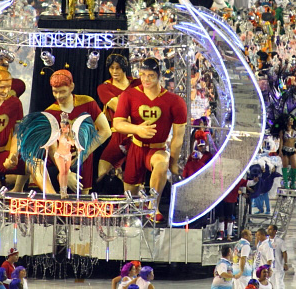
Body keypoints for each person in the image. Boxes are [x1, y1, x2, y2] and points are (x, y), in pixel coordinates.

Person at [114, 58, 187, 223]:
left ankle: (153, 205)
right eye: (143, 75)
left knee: (162, 162)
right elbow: (117, 123)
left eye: (151, 75)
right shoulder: (129, 95)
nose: (146, 79)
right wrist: (137, 129)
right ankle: (132, 216)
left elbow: (178, 136)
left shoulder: (175, 102)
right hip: (136, 147)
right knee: (129, 199)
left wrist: (174, 163)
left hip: (157, 148)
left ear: (159, 76)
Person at [41, 69, 111, 194]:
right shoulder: (49, 113)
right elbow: (52, 148)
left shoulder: (87, 103)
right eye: (55, 92)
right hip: (59, 162)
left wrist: (85, 152)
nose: (58, 96)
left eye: (62, 91)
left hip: (84, 161)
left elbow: (106, 131)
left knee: (82, 202)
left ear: (71, 86)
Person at [96, 53, 141, 181]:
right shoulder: (104, 88)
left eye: (118, 68)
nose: (114, 71)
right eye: (111, 68)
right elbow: (120, 108)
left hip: (138, 133)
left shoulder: (137, 83)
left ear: (124, 68)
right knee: (102, 172)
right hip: (119, 134)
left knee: (136, 175)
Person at [266, 224, 288, 289]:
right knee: (271, 284)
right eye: (268, 229)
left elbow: (284, 252)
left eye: (270, 229)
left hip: (278, 267)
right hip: (270, 268)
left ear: (275, 231)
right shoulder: (266, 241)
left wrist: (285, 263)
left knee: (279, 284)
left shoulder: (280, 241)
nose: (268, 230)